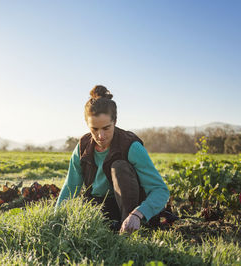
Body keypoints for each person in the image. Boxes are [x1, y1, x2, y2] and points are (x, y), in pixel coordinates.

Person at [55, 85, 170, 234]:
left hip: (132, 210)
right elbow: (70, 188)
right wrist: (56, 219)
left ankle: (127, 228)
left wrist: (137, 214)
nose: (100, 136)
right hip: (100, 206)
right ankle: (112, 226)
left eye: (106, 128)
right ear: (87, 125)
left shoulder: (131, 146)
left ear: (115, 121)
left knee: (119, 166)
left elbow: (160, 190)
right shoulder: (82, 147)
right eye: (94, 129)